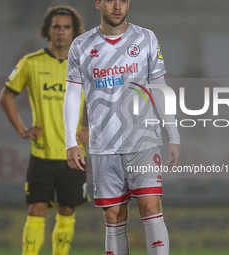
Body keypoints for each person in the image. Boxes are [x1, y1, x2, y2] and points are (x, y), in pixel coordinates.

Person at [63, 1, 181, 255]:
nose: (117, 5)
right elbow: (72, 95)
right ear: (97, 3)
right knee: (114, 214)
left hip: (144, 141)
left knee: (151, 206)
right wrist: (70, 141)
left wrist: (173, 134)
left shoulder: (146, 38)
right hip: (104, 145)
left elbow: (159, 87)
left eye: (123, 0)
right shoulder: (82, 45)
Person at [0, 6, 89, 255]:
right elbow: (6, 96)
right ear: (48, 31)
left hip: (74, 156)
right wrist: (22, 129)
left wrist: (92, 129)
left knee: (66, 210)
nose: (61, 32)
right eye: (56, 27)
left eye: (66, 27)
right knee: (36, 209)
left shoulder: (85, 65)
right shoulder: (31, 62)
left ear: (74, 32)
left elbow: (105, 100)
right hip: (42, 153)